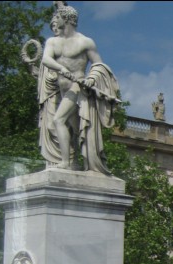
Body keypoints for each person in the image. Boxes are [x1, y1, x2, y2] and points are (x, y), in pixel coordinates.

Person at [38, 4, 120, 174]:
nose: (55, 20)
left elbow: (99, 65)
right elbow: (46, 59)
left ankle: (65, 162)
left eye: (58, 17)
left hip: (78, 88)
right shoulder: (53, 42)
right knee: (75, 131)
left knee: (59, 120)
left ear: (66, 19)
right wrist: (62, 69)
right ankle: (74, 162)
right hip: (62, 90)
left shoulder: (85, 42)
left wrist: (91, 78)